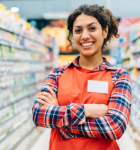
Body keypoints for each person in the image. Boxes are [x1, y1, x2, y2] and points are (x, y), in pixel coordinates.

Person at [32, 4, 132, 150]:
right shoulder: (57, 73)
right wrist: (87, 110)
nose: (85, 36)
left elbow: (114, 127)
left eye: (92, 28)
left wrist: (60, 119)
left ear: (105, 31)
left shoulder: (119, 76)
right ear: (73, 35)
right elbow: (38, 114)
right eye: (78, 30)